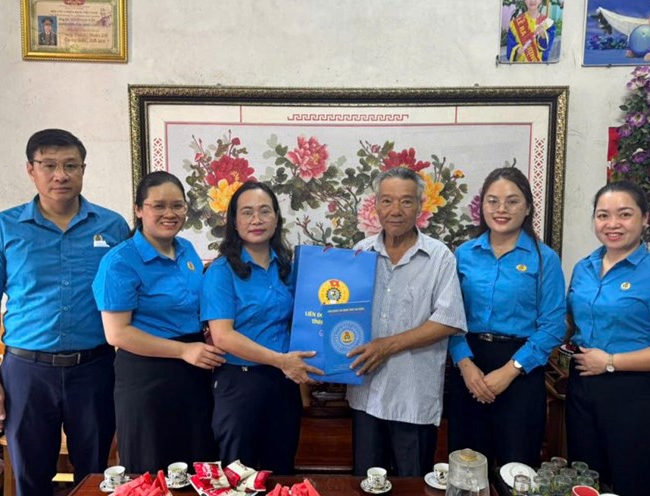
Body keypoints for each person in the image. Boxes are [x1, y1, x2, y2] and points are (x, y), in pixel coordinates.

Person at [0, 129, 128, 496]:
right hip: (26, 373)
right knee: (30, 476)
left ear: (83, 170)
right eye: (48, 165)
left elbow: (132, 297)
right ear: (31, 170)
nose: (60, 175)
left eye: (70, 165)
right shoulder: (2, 228)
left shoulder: (113, 227)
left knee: (95, 475)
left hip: (95, 369)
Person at [93, 171, 225, 473]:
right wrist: (183, 351)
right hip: (147, 377)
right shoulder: (120, 262)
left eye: (178, 206)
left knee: (198, 462)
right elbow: (117, 333)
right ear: (139, 210)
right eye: (159, 206)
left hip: (195, 373)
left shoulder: (187, 250)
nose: (170, 213)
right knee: (152, 467)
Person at [566, 180, 650, 496]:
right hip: (582, 385)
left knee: (630, 484)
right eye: (602, 215)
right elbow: (572, 322)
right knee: (584, 481)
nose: (612, 224)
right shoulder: (584, 268)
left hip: (632, 393)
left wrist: (609, 362)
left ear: (645, 218)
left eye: (624, 214)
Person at [346, 166, 467, 477]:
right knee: (366, 482)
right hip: (366, 394)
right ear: (375, 206)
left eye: (406, 201)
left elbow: (448, 320)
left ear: (420, 206)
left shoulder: (439, 257)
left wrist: (387, 346)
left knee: (412, 484)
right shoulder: (359, 254)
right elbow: (339, 313)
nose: (395, 211)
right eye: (387, 201)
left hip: (412, 397)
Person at [447, 167, 566, 468]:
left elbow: (553, 326)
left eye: (512, 201)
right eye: (492, 201)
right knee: (466, 466)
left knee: (517, 467)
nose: (501, 209)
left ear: (527, 207)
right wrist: (465, 365)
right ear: (482, 206)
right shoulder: (463, 254)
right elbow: (449, 315)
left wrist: (511, 370)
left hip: (522, 370)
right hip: (468, 367)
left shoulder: (544, 258)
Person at [202, 181, 322, 474]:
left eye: (264, 211)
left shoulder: (287, 267)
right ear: (234, 221)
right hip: (239, 385)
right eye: (247, 212)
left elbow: (305, 319)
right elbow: (223, 336)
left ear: (277, 218)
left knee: (280, 471)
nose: (256, 220)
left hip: (284, 384)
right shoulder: (221, 271)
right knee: (237, 476)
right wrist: (281, 361)